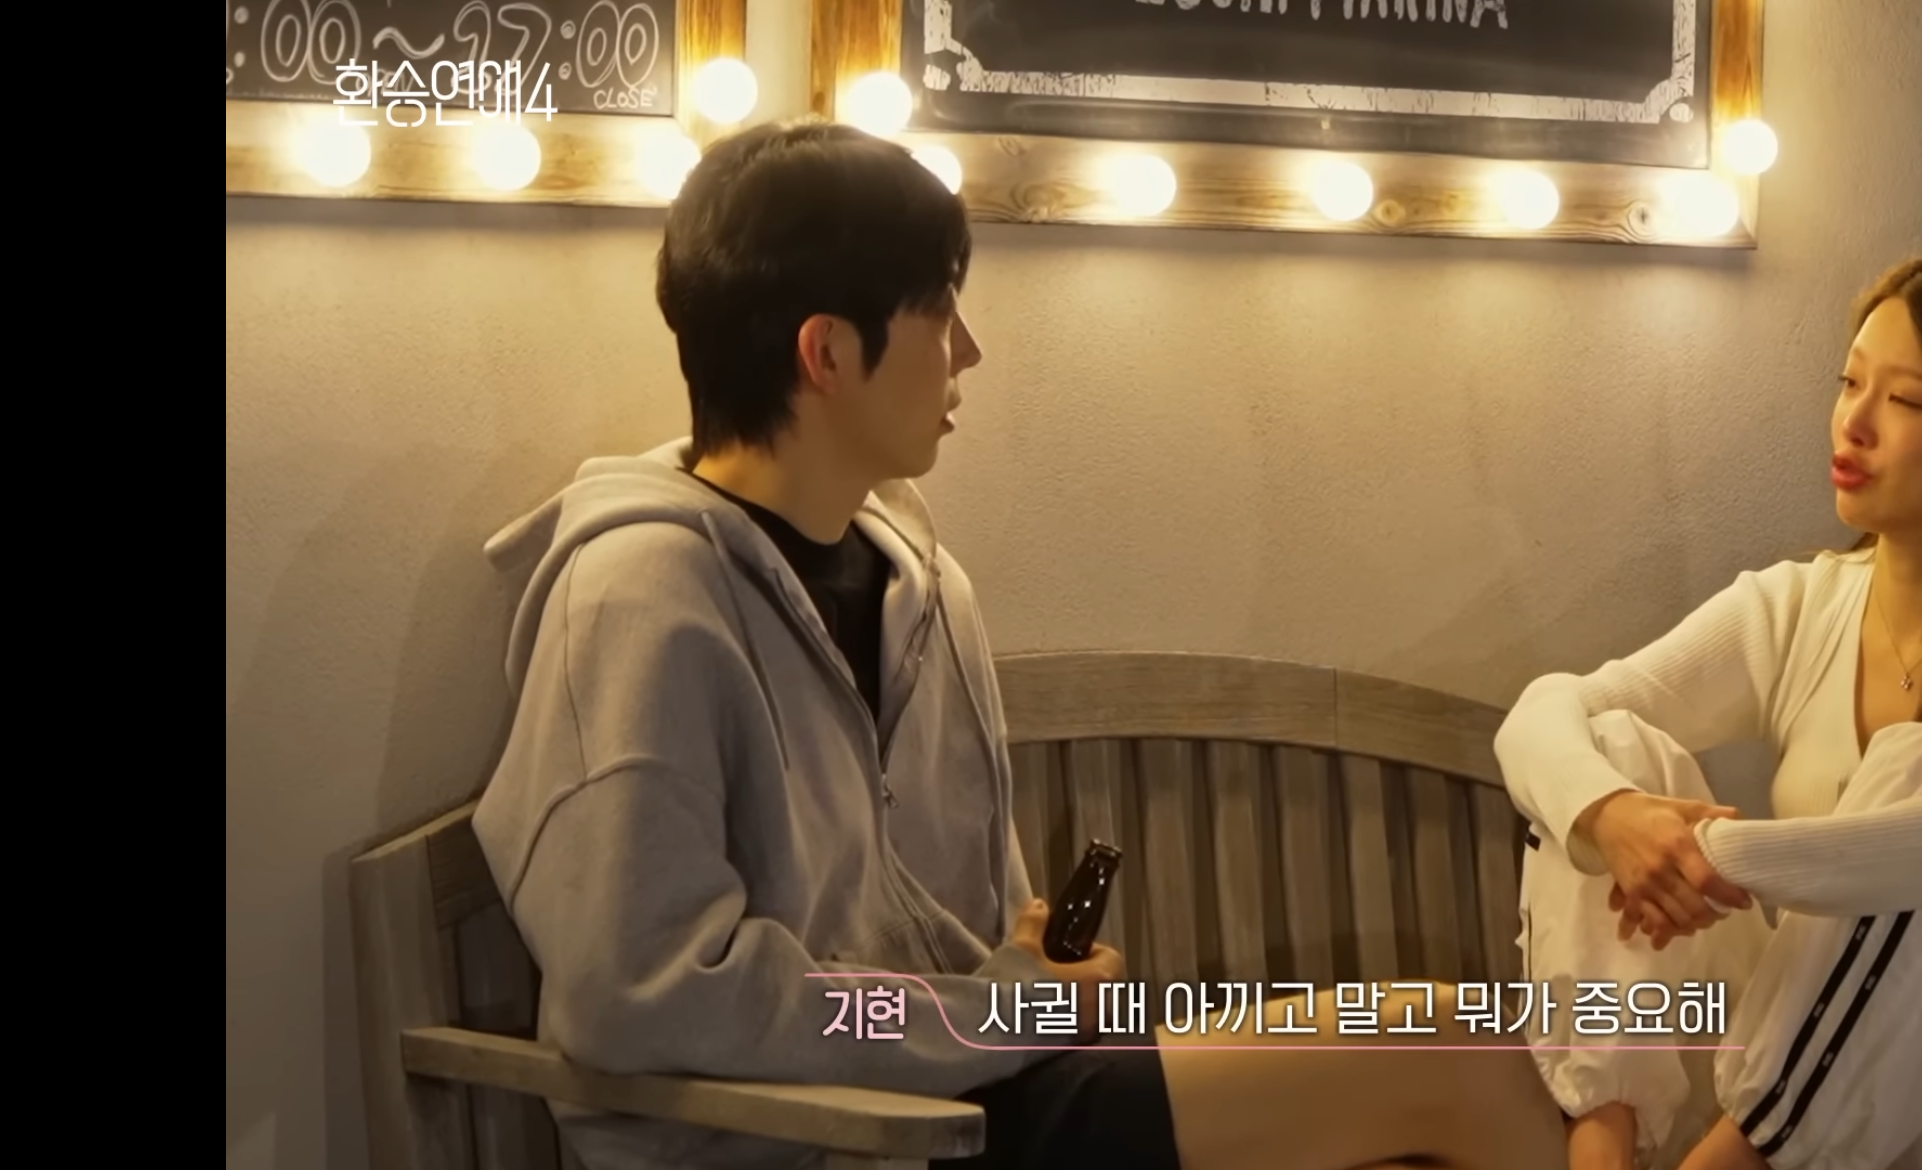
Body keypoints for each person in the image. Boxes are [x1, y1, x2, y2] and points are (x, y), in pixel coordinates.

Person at [469, 117, 1565, 1170]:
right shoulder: (642, 596)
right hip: (829, 1135)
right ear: (828, 351)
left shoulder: (926, 590)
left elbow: (992, 942)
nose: (970, 350)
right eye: (941, 312)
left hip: (978, 1085)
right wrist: (993, 1013)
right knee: (1451, 1047)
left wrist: (1032, 987)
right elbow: (642, 995)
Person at [1497, 245, 1922, 1170]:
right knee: (1607, 750)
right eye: (1850, 383)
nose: (1854, 422)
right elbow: (1542, 715)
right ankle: (1601, 1155)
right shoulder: (1798, 607)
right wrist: (1618, 820)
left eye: (1906, 401)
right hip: (1831, 1089)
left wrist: (1714, 856)